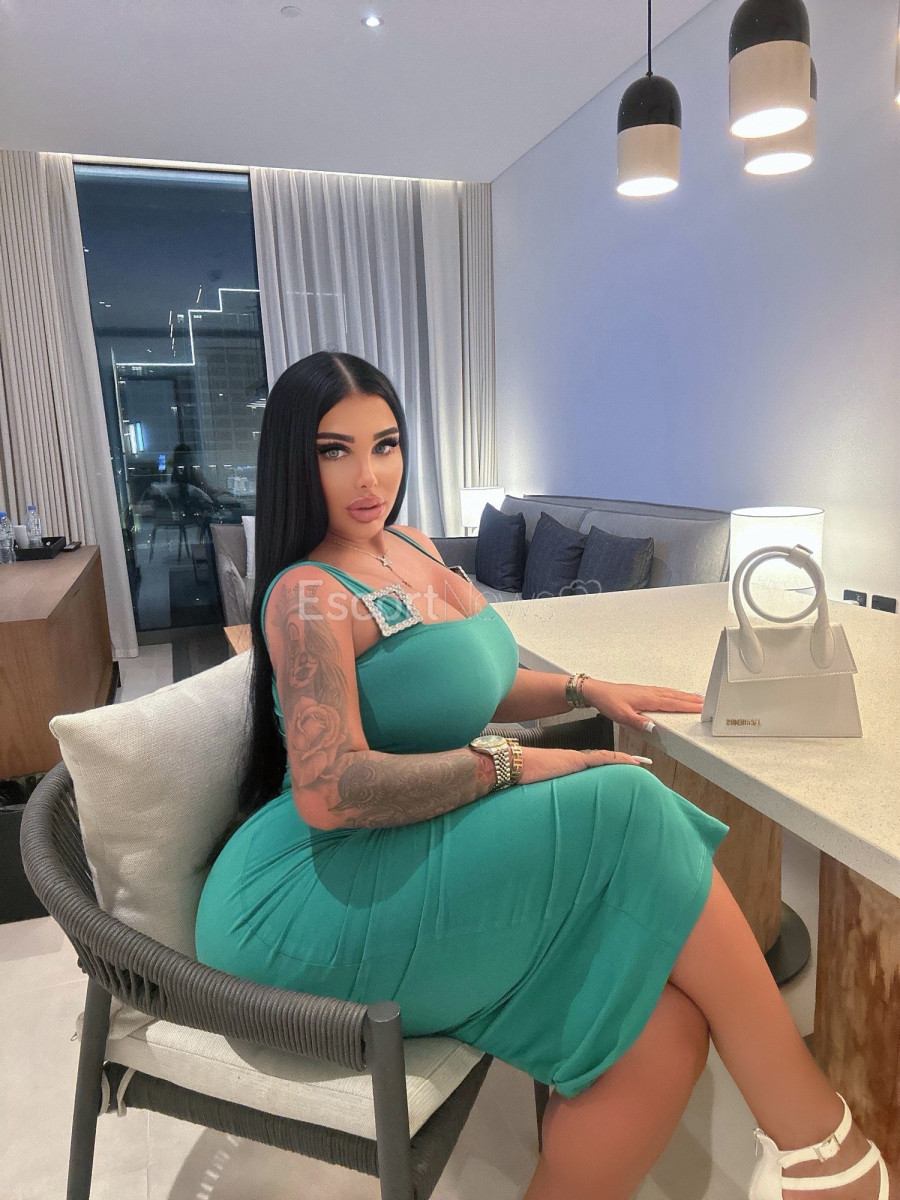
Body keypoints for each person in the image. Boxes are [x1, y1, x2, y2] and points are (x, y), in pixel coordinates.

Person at [196, 352, 893, 1200]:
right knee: (628, 802)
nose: (369, 475)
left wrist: (581, 688)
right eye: (334, 451)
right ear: (292, 462)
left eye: (385, 444)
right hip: (307, 898)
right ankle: (824, 1154)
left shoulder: (408, 547)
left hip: (405, 846)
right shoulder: (308, 594)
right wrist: (513, 761)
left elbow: (473, 684)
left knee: (664, 1033)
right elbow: (330, 790)